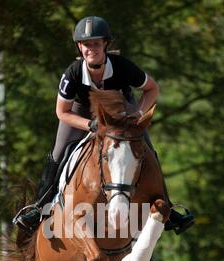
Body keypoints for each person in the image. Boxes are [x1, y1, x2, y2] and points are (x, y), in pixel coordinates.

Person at [13, 16, 194, 235]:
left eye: (96, 43)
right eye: (87, 44)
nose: (92, 49)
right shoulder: (72, 73)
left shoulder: (122, 66)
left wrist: (137, 113)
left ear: (105, 44)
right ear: (80, 46)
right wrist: (90, 124)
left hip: (120, 108)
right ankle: (40, 207)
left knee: (145, 147)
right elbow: (62, 112)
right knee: (59, 152)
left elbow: (152, 89)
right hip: (81, 112)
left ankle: (168, 208)